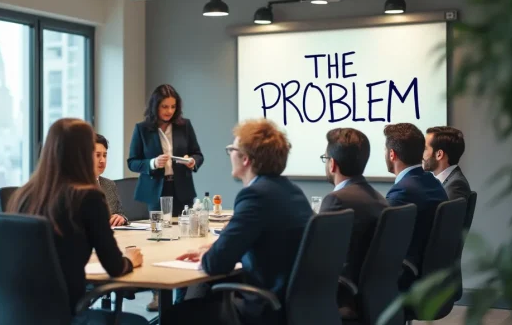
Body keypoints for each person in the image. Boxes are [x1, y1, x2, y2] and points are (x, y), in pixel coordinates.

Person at [169, 119, 313, 325]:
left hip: (264, 309)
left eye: (232, 149)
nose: (230, 154)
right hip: (294, 305)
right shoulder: (291, 191)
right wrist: (215, 247)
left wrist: (211, 253)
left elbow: (215, 264)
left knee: (176, 316)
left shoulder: (256, 196)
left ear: (245, 159)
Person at [8, 118, 143, 318]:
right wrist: (130, 261)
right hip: (65, 312)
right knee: (138, 322)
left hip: (17, 311)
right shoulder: (88, 197)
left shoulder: (24, 194)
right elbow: (114, 267)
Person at [127, 84, 204, 310]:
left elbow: (198, 154)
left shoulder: (184, 126)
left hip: (181, 189)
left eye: (172, 106)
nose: (169, 111)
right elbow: (132, 161)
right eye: (164, 107)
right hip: (156, 191)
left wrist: (193, 162)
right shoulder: (142, 129)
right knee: (159, 240)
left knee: (183, 238)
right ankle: (158, 293)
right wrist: (152, 163)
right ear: (155, 107)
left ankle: (180, 291)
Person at [319, 128, 388, 285]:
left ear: (332, 164)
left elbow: (317, 256)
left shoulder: (336, 200)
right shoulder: (379, 199)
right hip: (369, 293)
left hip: (340, 293)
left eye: (325, 158)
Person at [384, 123, 448, 268]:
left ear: (392, 154)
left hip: (405, 274)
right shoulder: (432, 182)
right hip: (429, 272)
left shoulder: (402, 193)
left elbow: (382, 243)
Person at [423, 126, 471, 201]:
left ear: (439, 154)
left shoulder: (455, 185)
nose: (421, 154)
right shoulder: (445, 181)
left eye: (425, 149)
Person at [94, 133, 128, 226]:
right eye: (98, 155)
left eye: (104, 155)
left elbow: (120, 213)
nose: (102, 160)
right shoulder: (74, 187)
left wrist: (121, 218)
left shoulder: (109, 184)